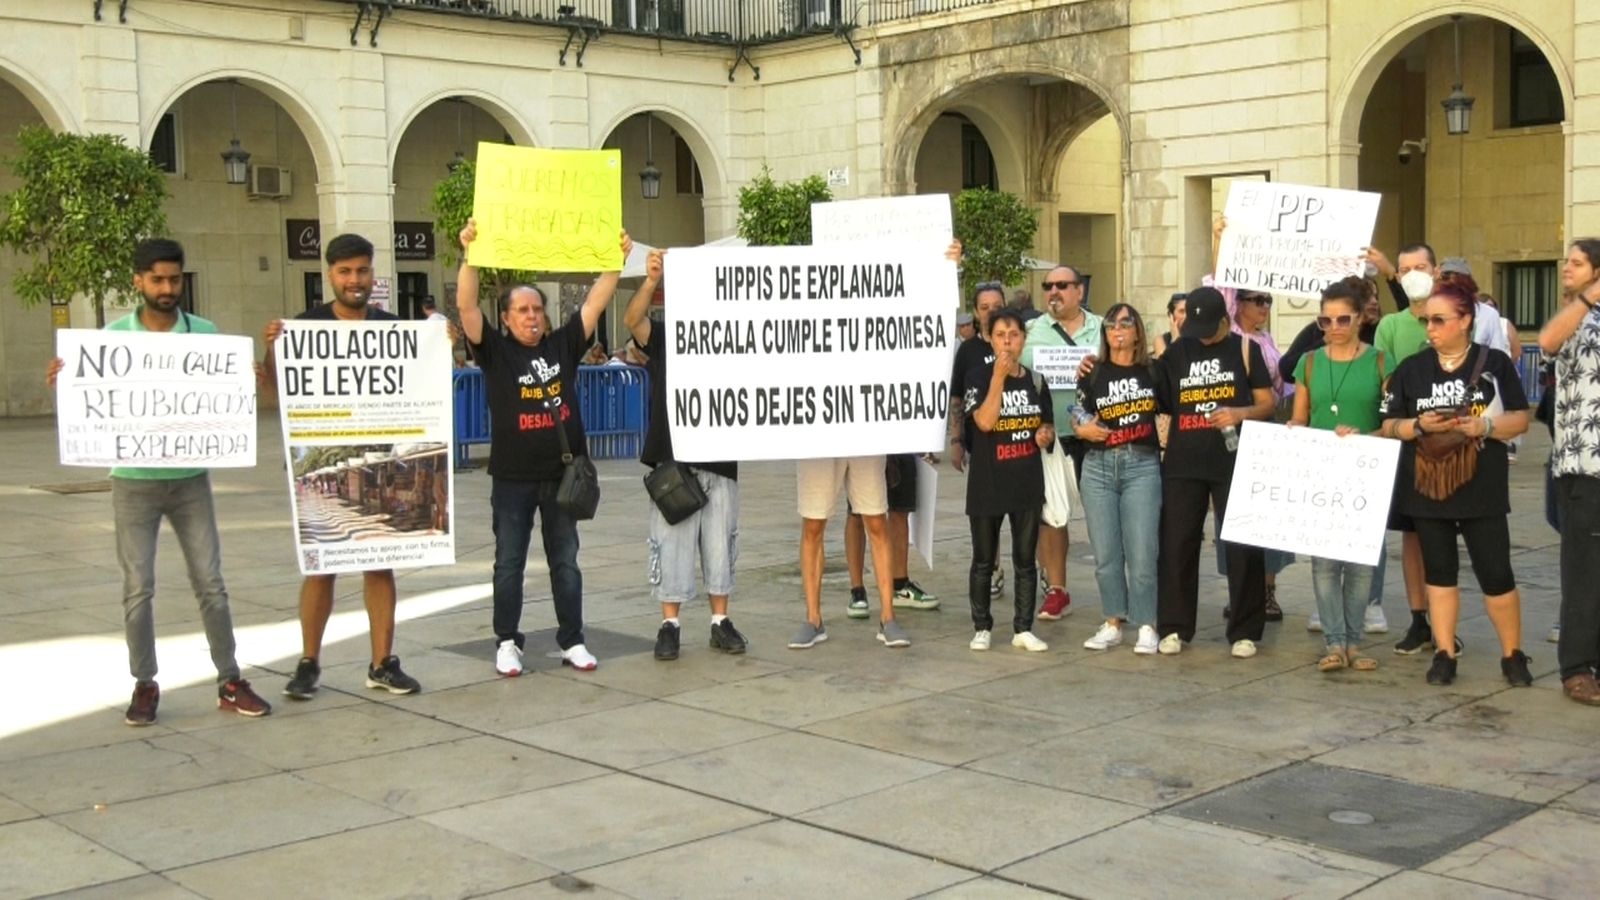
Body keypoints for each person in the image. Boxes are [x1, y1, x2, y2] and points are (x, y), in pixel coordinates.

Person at [45, 239, 269, 725]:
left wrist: (245, 379)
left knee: (211, 582)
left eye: (175, 280)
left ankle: (229, 679)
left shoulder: (207, 336)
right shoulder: (109, 341)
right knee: (138, 586)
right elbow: (87, 395)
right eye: (158, 280)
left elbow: (239, 398)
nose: (168, 289)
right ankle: (144, 684)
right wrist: (66, 380)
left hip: (191, 480)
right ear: (138, 282)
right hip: (133, 482)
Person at [455, 218, 629, 676]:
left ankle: (572, 639)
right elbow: (467, 306)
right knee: (509, 563)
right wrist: (470, 254)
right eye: (522, 311)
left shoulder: (563, 344)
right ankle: (508, 641)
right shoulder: (493, 350)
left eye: (537, 310)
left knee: (566, 562)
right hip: (512, 480)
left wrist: (615, 260)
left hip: (561, 477)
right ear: (507, 318)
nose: (532, 317)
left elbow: (595, 301)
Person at [263, 233, 422, 698]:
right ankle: (309, 662)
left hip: (378, 462)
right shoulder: (304, 327)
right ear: (329, 274)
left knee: (380, 565)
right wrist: (271, 349)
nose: (355, 280)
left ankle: (381, 663)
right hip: (326, 462)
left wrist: (439, 343)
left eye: (363, 270)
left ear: (374, 274)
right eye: (345, 271)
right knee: (321, 566)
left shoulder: (395, 329)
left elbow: (420, 381)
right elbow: (279, 391)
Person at [1380, 281, 1532, 687]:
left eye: (1439, 320)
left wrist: (1483, 424)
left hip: (1482, 487)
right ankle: (1445, 653)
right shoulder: (1412, 368)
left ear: (1465, 321)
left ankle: (1512, 654)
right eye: (1427, 320)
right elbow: (1389, 424)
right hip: (1428, 487)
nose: (1430, 328)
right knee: (1440, 574)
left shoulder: (1494, 363)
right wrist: (1417, 425)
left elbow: (1520, 418)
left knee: (1496, 572)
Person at [619, 249, 750, 661]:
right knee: (671, 542)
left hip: (720, 459)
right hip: (674, 461)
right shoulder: (666, 335)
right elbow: (632, 320)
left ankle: (719, 622)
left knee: (719, 545)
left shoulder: (734, 337)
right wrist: (651, 280)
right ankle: (670, 625)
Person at [1153, 287, 1275, 658]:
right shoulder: (1178, 350)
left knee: (1241, 546)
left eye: (1209, 327)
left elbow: (1268, 402)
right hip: (1182, 462)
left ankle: (1245, 630)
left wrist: (1239, 413)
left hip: (1232, 460)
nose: (1202, 334)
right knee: (1177, 544)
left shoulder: (1244, 349)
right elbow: (1156, 396)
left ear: (1226, 318)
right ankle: (1174, 627)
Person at [1289, 279, 1389, 673]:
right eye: (1325, 320)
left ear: (1361, 318)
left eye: (1343, 319)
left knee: (1362, 563)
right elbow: (1299, 417)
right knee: (1325, 563)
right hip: (1321, 472)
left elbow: (1391, 421)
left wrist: (1364, 437)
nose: (1334, 327)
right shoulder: (1309, 362)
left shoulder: (1381, 361)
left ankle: (1354, 641)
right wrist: (1298, 434)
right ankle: (1334, 642)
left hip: (1366, 473)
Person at [1367, 243, 1443, 653]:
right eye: (1405, 268)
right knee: (1412, 538)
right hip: (1410, 445)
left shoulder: (1458, 315)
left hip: (1454, 449)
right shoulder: (1391, 327)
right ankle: (1419, 619)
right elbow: (1390, 384)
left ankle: (1444, 620)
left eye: (1420, 267)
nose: (1414, 273)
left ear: (1437, 269)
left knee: (1443, 540)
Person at [963, 308, 1053, 652]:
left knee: (1026, 559)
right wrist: (998, 378)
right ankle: (982, 625)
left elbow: (1045, 424)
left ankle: (1023, 627)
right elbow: (984, 422)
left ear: (1023, 340)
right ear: (989, 338)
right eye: (1000, 335)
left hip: (1025, 480)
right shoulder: (977, 376)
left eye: (1014, 335)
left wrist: (1044, 433)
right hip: (988, 482)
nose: (1007, 342)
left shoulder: (1036, 379)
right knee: (984, 558)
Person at [1074, 304, 1162, 655]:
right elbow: (1078, 411)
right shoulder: (1092, 371)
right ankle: (1113, 620)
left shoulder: (1153, 371)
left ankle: (1147, 624)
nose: (1118, 329)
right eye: (1111, 324)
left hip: (1140, 464)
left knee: (1142, 551)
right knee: (1106, 553)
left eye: (1126, 323)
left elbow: (1169, 410)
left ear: (1138, 331)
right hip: (1098, 467)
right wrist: (1083, 428)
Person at [1538, 238, 1600, 704]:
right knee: (1583, 572)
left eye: (1576, 264)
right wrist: (1585, 299)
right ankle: (1576, 668)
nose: (1565, 268)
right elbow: (1547, 341)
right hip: (1583, 464)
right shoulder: (1574, 318)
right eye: (1566, 262)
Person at [1023, 265, 1102, 620]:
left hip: (1097, 437)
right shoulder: (1030, 332)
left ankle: (1119, 592)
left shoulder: (1103, 328)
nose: (1054, 291)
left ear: (1079, 291)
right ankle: (1057, 590)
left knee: (1106, 518)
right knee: (1052, 516)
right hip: (1053, 439)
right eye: (1048, 286)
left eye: (1062, 285)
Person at [844, 455, 939, 618]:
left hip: (900, 439)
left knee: (900, 507)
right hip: (865, 444)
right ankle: (857, 590)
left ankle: (900, 585)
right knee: (857, 510)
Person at [1152, 293, 1185, 358]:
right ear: (1171, 316)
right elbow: (1166, 365)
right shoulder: (1161, 340)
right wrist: (1175, 340)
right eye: (1182, 311)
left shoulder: (1199, 338)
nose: (1186, 316)